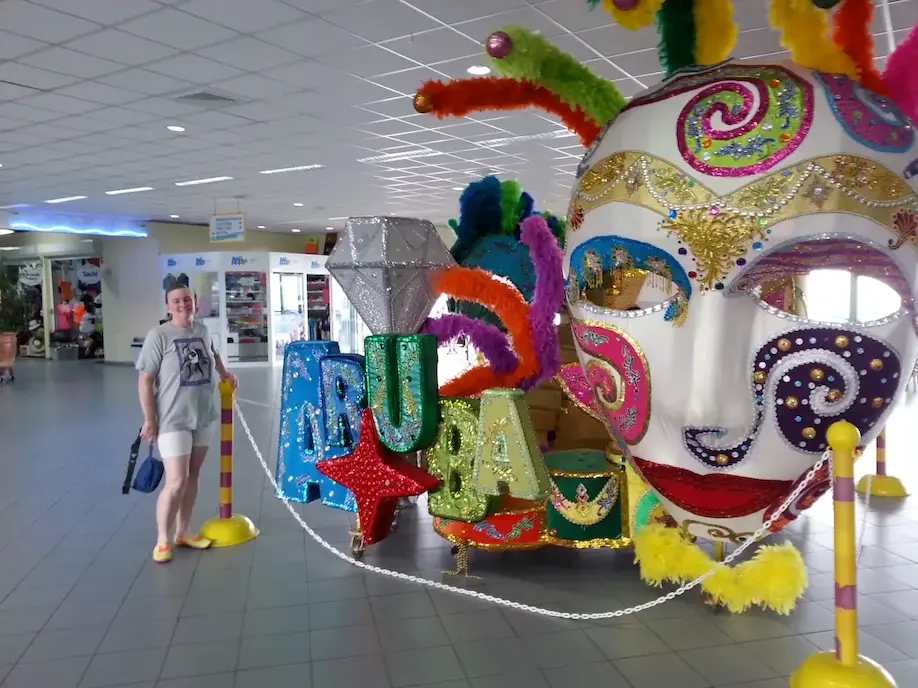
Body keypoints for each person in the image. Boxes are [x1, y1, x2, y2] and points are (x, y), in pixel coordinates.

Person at [136, 285, 238, 563]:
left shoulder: (203, 330)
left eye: (187, 299)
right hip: (173, 418)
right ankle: (162, 539)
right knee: (176, 481)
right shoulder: (158, 335)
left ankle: (183, 532)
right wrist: (149, 419)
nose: (183, 304)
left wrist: (225, 374)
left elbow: (213, 354)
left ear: (194, 302)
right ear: (168, 306)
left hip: (203, 415)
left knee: (193, 475)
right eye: (176, 301)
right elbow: (145, 380)